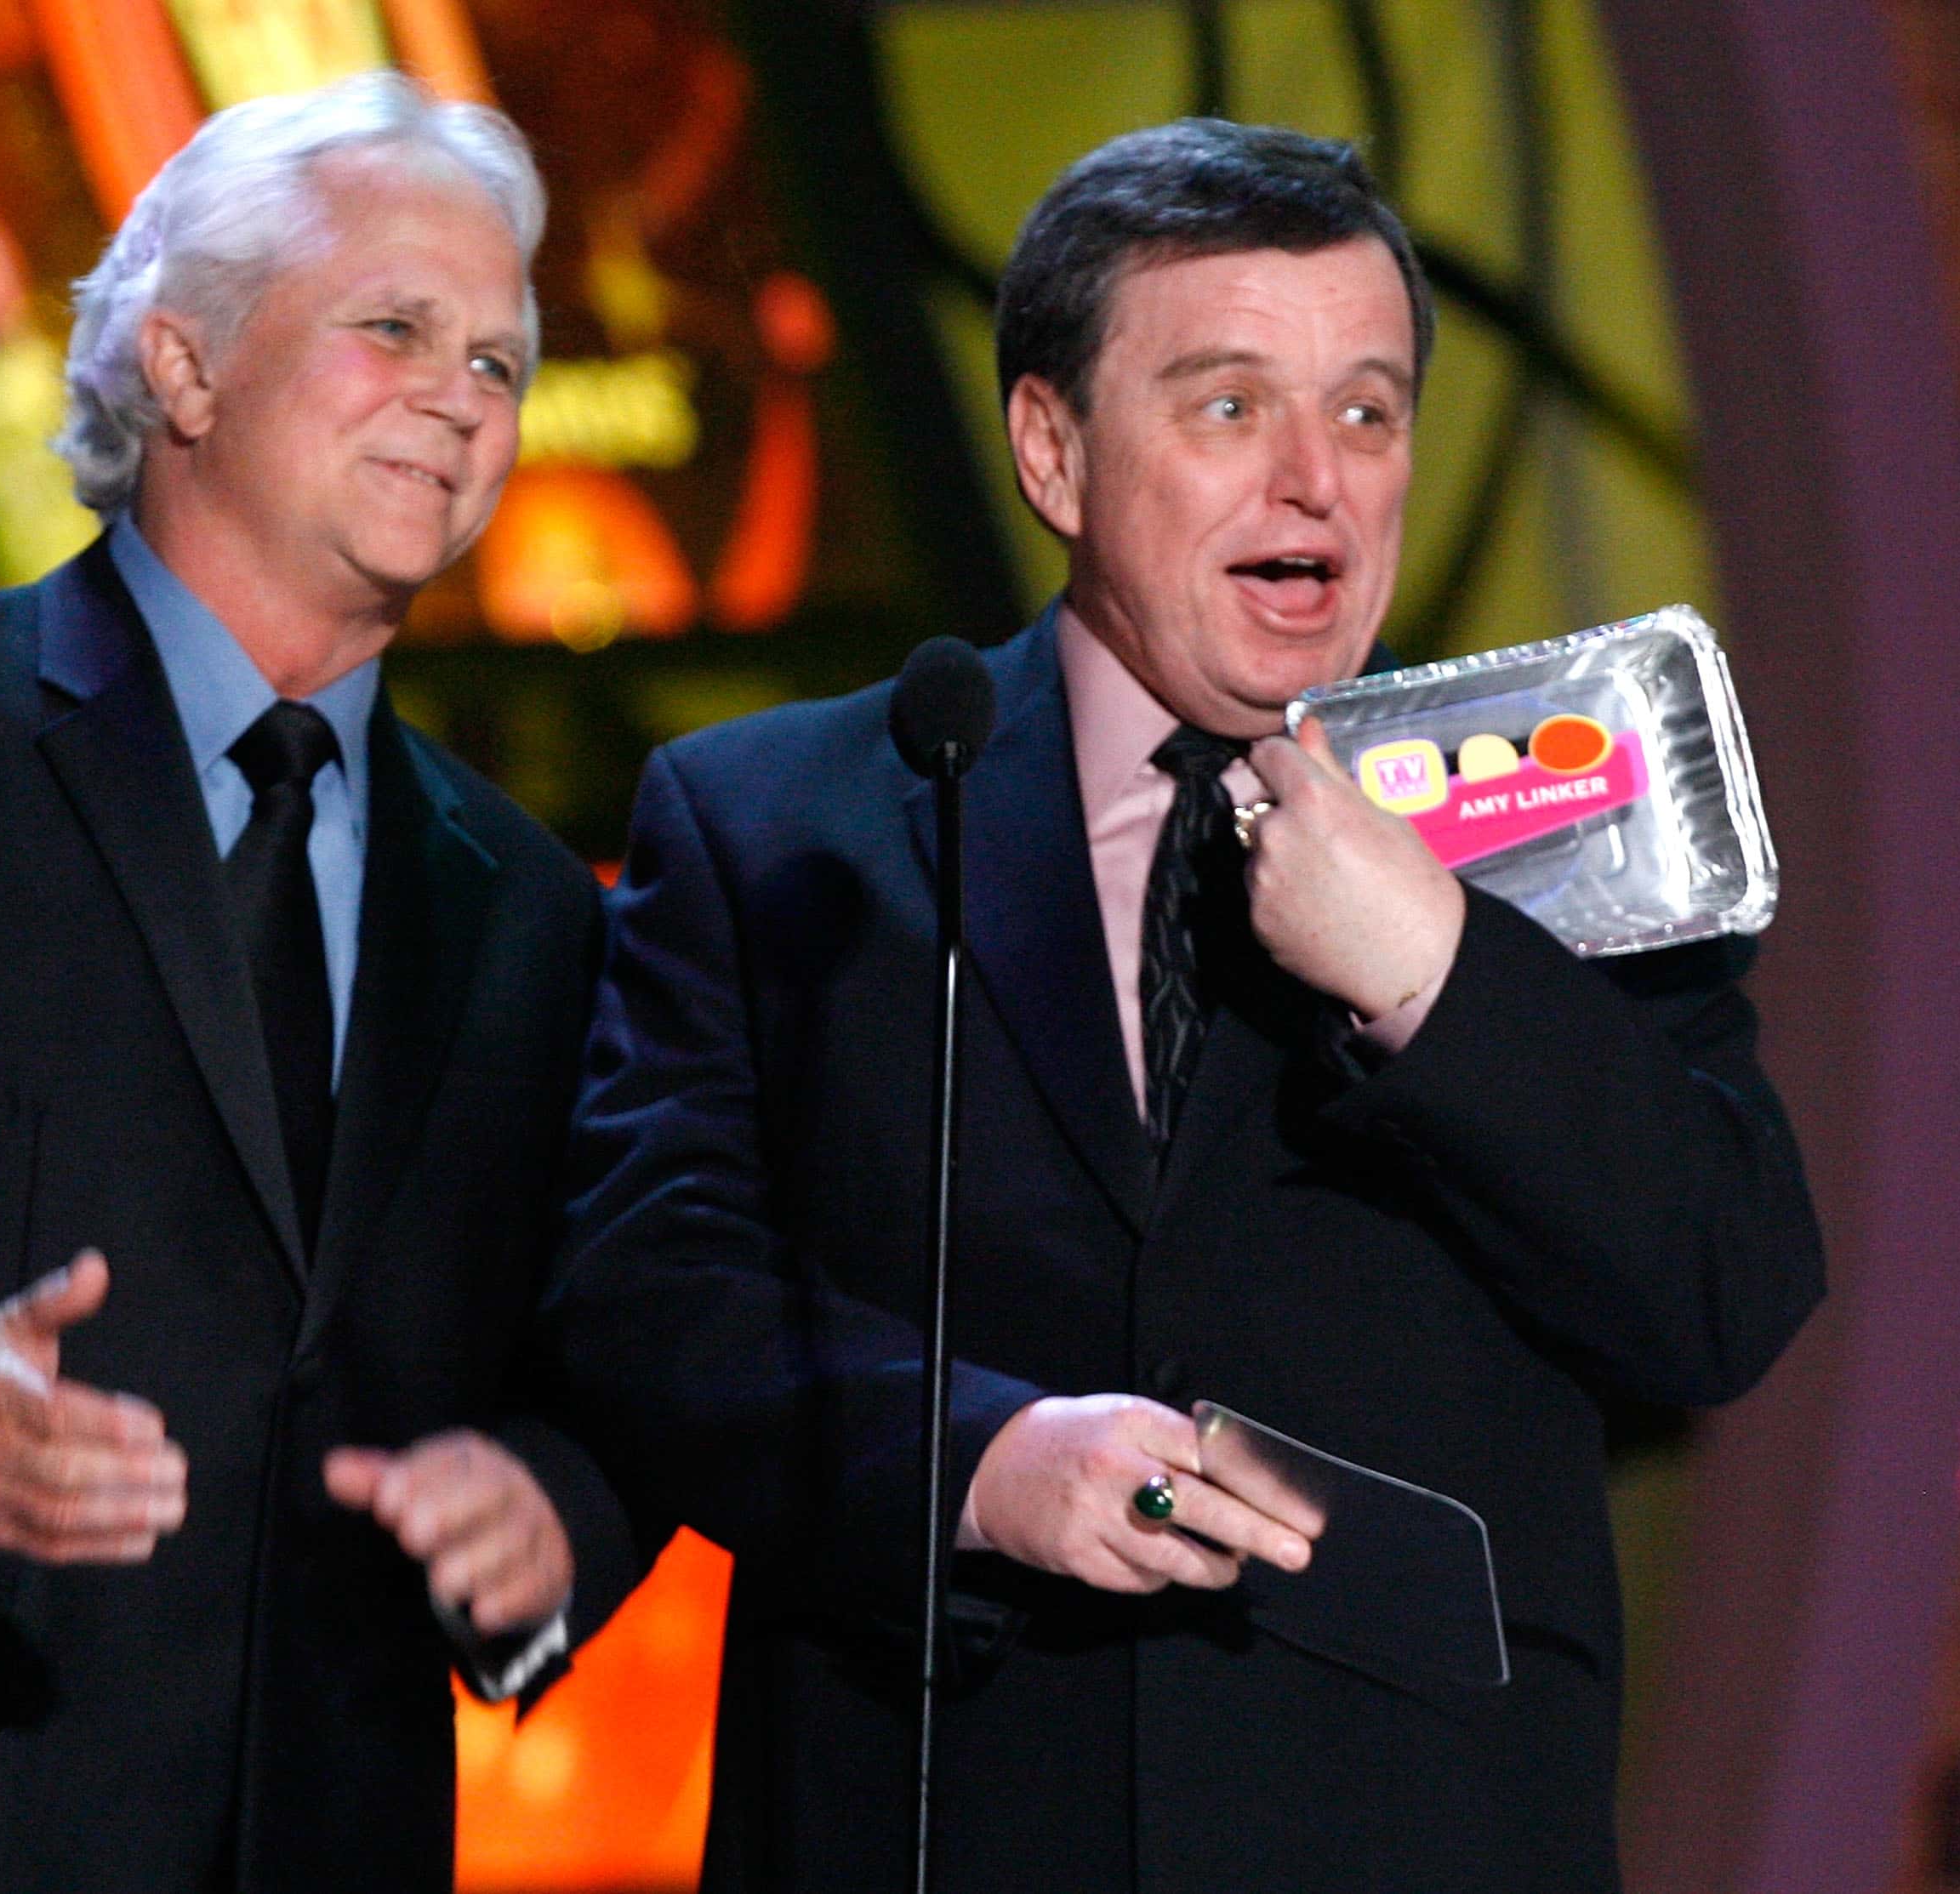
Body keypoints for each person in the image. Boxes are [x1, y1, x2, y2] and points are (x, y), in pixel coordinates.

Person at [545, 118, 1822, 1891]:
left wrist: (1430, 975)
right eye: (1231, 406)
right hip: (942, 1817)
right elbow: (645, 1295)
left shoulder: (1567, 805)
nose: (1316, 479)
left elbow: (1722, 1290)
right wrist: (983, 1463)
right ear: (1054, 450)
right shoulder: (781, 823)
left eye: (1367, 411)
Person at [0, 73, 636, 1894]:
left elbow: (601, 1330)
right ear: (183, 365)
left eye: (499, 364)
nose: (462, 404)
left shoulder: (531, 899)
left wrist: (562, 1507)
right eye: (396, 328)